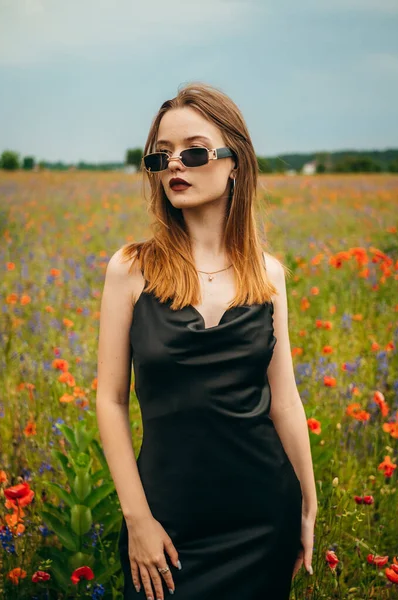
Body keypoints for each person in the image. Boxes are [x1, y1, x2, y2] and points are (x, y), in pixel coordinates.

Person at [96, 82, 318, 600]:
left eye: (194, 152)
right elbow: (110, 401)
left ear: (234, 161)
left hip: (263, 517)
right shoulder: (131, 268)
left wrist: (307, 505)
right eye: (162, 156)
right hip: (166, 523)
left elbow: (284, 400)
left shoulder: (268, 275)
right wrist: (138, 521)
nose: (176, 165)